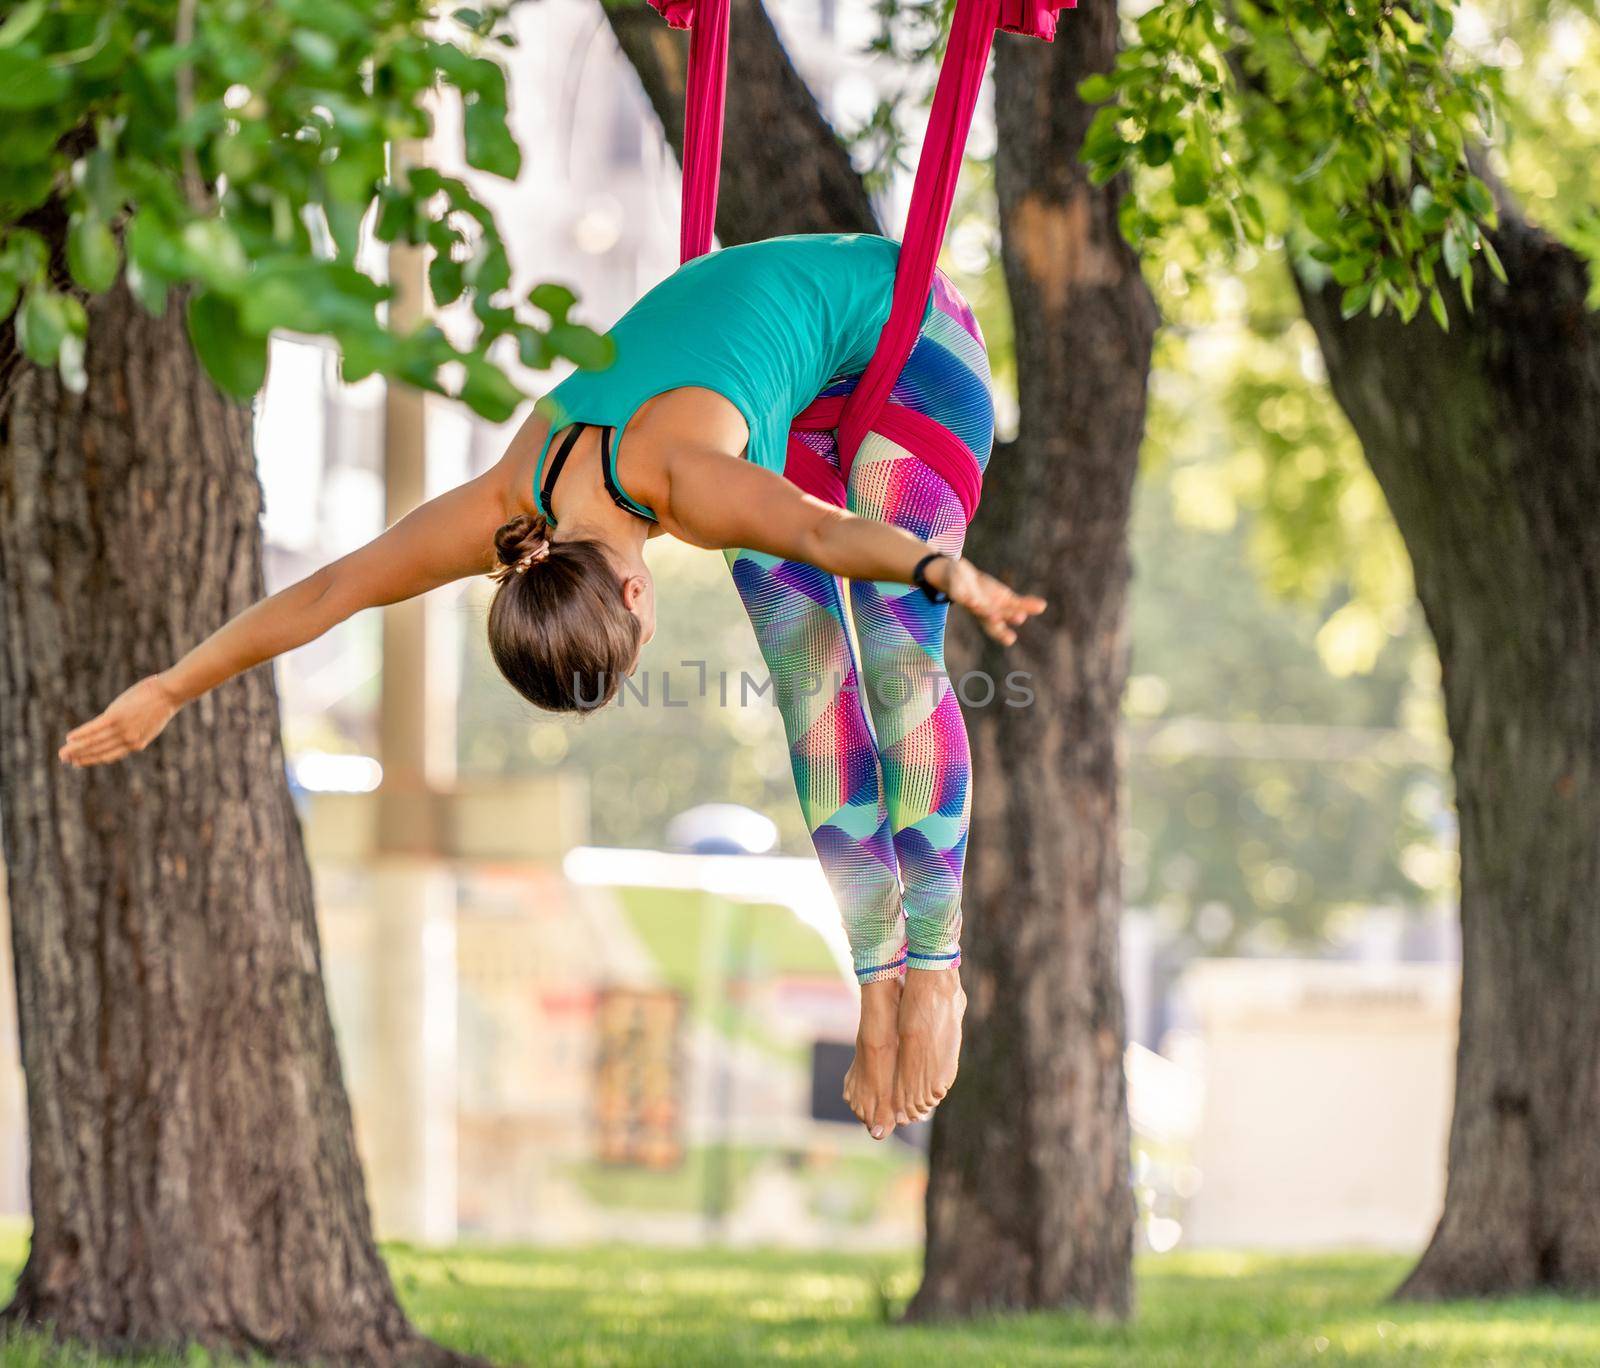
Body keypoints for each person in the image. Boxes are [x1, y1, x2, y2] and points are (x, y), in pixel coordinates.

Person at [57, 233, 1045, 1141]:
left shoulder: (688, 481)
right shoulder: (506, 506)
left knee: (892, 650)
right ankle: (878, 986)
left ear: (627, 589)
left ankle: (939, 975)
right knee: (808, 677)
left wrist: (940, 571)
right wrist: (170, 687)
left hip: (905, 333)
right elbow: (331, 588)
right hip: (797, 395)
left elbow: (829, 537)